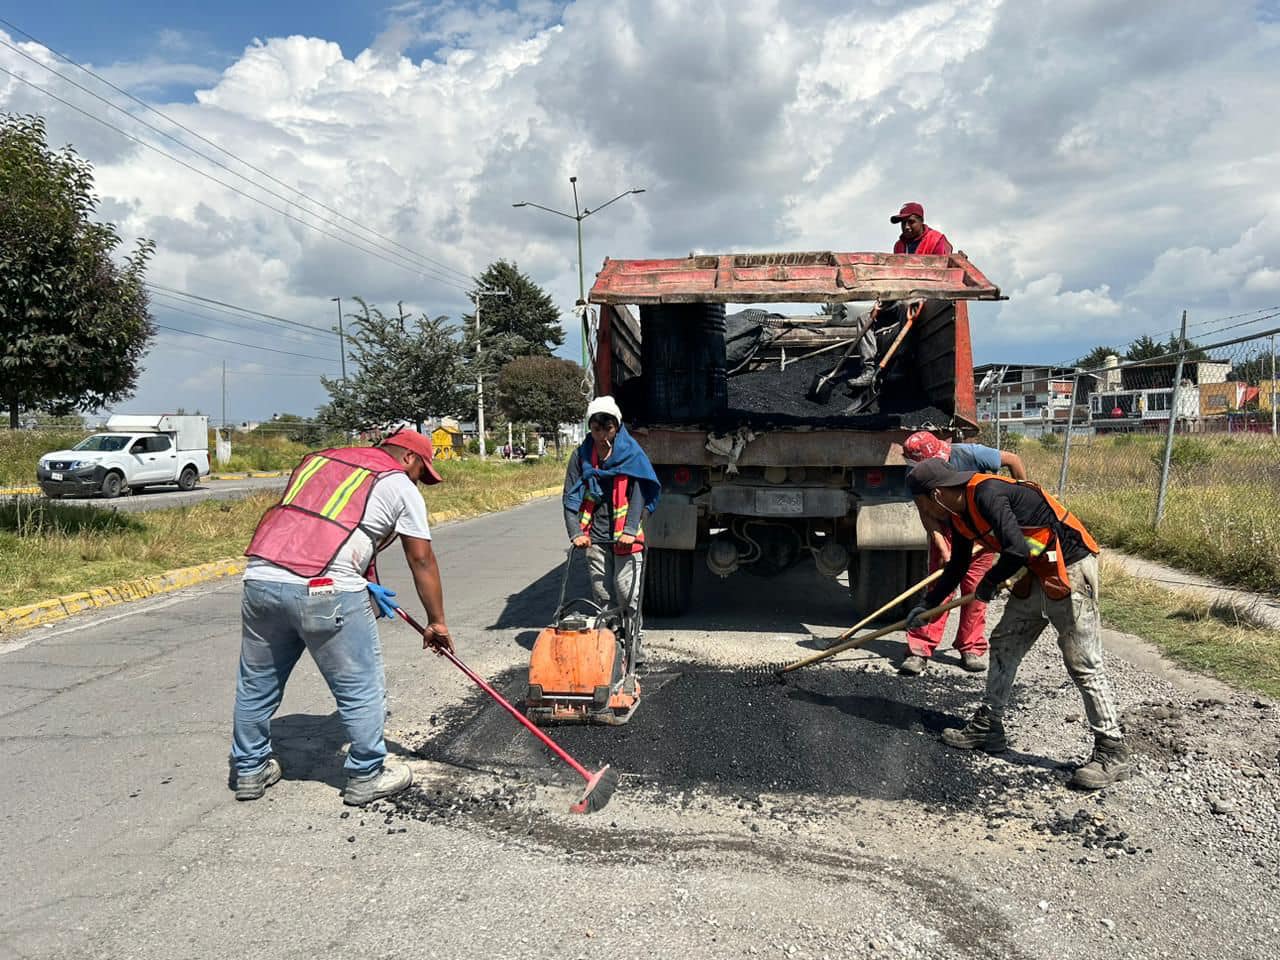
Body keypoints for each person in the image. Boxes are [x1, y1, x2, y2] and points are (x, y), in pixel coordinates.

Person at [230, 429, 453, 806]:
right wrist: (437, 622)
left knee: (256, 684)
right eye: (421, 472)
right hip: (326, 591)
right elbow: (420, 558)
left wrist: (363, 581)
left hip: (261, 581)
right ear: (409, 459)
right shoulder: (398, 483)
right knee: (360, 686)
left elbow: (313, 526)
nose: (420, 481)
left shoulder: (323, 461)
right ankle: (367, 774)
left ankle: (250, 770)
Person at [904, 458, 1129, 790]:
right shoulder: (959, 513)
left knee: (1082, 661)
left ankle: (1112, 749)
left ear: (935, 494)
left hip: (1069, 564)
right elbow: (957, 567)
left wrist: (988, 584)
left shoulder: (986, 494)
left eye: (919, 504)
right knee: (1005, 643)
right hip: (1037, 566)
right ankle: (988, 727)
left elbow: (1016, 549)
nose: (921, 513)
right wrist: (928, 604)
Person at [898, 431, 1027, 676]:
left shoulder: (972, 454)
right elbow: (926, 514)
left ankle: (971, 646)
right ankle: (920, 649)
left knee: (976, 588)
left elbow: (1013, 460)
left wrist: (1022, 497)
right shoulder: (916, 475)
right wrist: (943, 547)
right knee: (940, 589)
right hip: (948, 530)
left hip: (981, 525)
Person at [562, 396, 661, 665]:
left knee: (627, 592)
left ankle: (634, 643)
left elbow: (641, 490)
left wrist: (630, 528)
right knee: (603, 596)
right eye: (596, 427)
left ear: (617, 427)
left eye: (608, 427)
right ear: (590, 428)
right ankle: (610, 643)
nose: (602, 433)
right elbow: (570, 496)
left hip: (625, 537)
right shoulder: (581, 457)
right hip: (594, 536)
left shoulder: (631, 453)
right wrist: (575, 532)